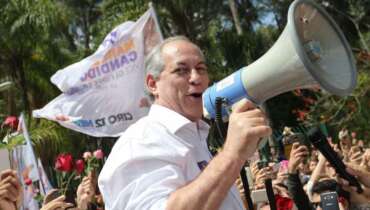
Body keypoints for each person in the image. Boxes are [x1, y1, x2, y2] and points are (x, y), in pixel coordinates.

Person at [98, 36, 271, 210]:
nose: (196, 78)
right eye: (181, 71)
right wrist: (232, 154)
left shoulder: (198, 136)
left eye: (201, 69)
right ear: (152, 84)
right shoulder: (139, 142)